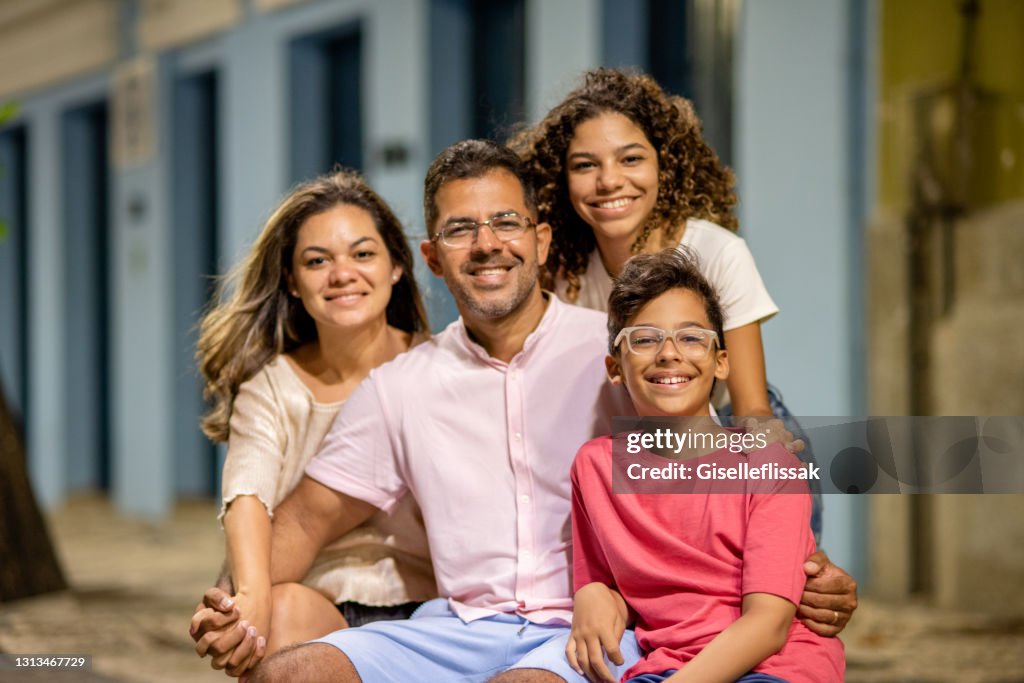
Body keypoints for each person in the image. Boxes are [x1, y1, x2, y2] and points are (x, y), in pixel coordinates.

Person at [191, 140, 857, 683]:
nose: (487, 243)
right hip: (456, 627)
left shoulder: (616, 352)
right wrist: (234, 601)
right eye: (461, 229)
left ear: (540, 239)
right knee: (294, 672)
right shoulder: (401, 386)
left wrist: (810, 568)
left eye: (506, 222)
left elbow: (718, 465)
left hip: (586, 633)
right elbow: (306, 520)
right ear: (432, 257)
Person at [510, 67, 823, 538]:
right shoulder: (562, 270)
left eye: (631, 159)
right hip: (637, 436)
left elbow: (751, 407)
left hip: (727, 428)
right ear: (561, 179)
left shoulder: (717, 252)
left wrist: (765, 461)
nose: (609, 181)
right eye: (585, 165)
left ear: (664, 165)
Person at [190, 170, 436, 676]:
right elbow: (247, 495)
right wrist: (249, 599)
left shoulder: (442, 367)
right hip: (316, 604)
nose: (342, 273)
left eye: (362, 254)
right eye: (317, 261)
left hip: (433, 609)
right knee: (270, 620)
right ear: (291, 281)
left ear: (396, 266)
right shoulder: (273, 388)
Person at [568, 248, 844, 683]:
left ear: (721, 362)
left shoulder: (770, 465)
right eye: (644, 339)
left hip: (777, 665)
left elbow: (769, 625)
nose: (669, 353)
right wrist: (590, 593)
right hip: (666, 664)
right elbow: (608, 585)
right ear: (615, 367)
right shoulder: (596, 466)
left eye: (691, 337)